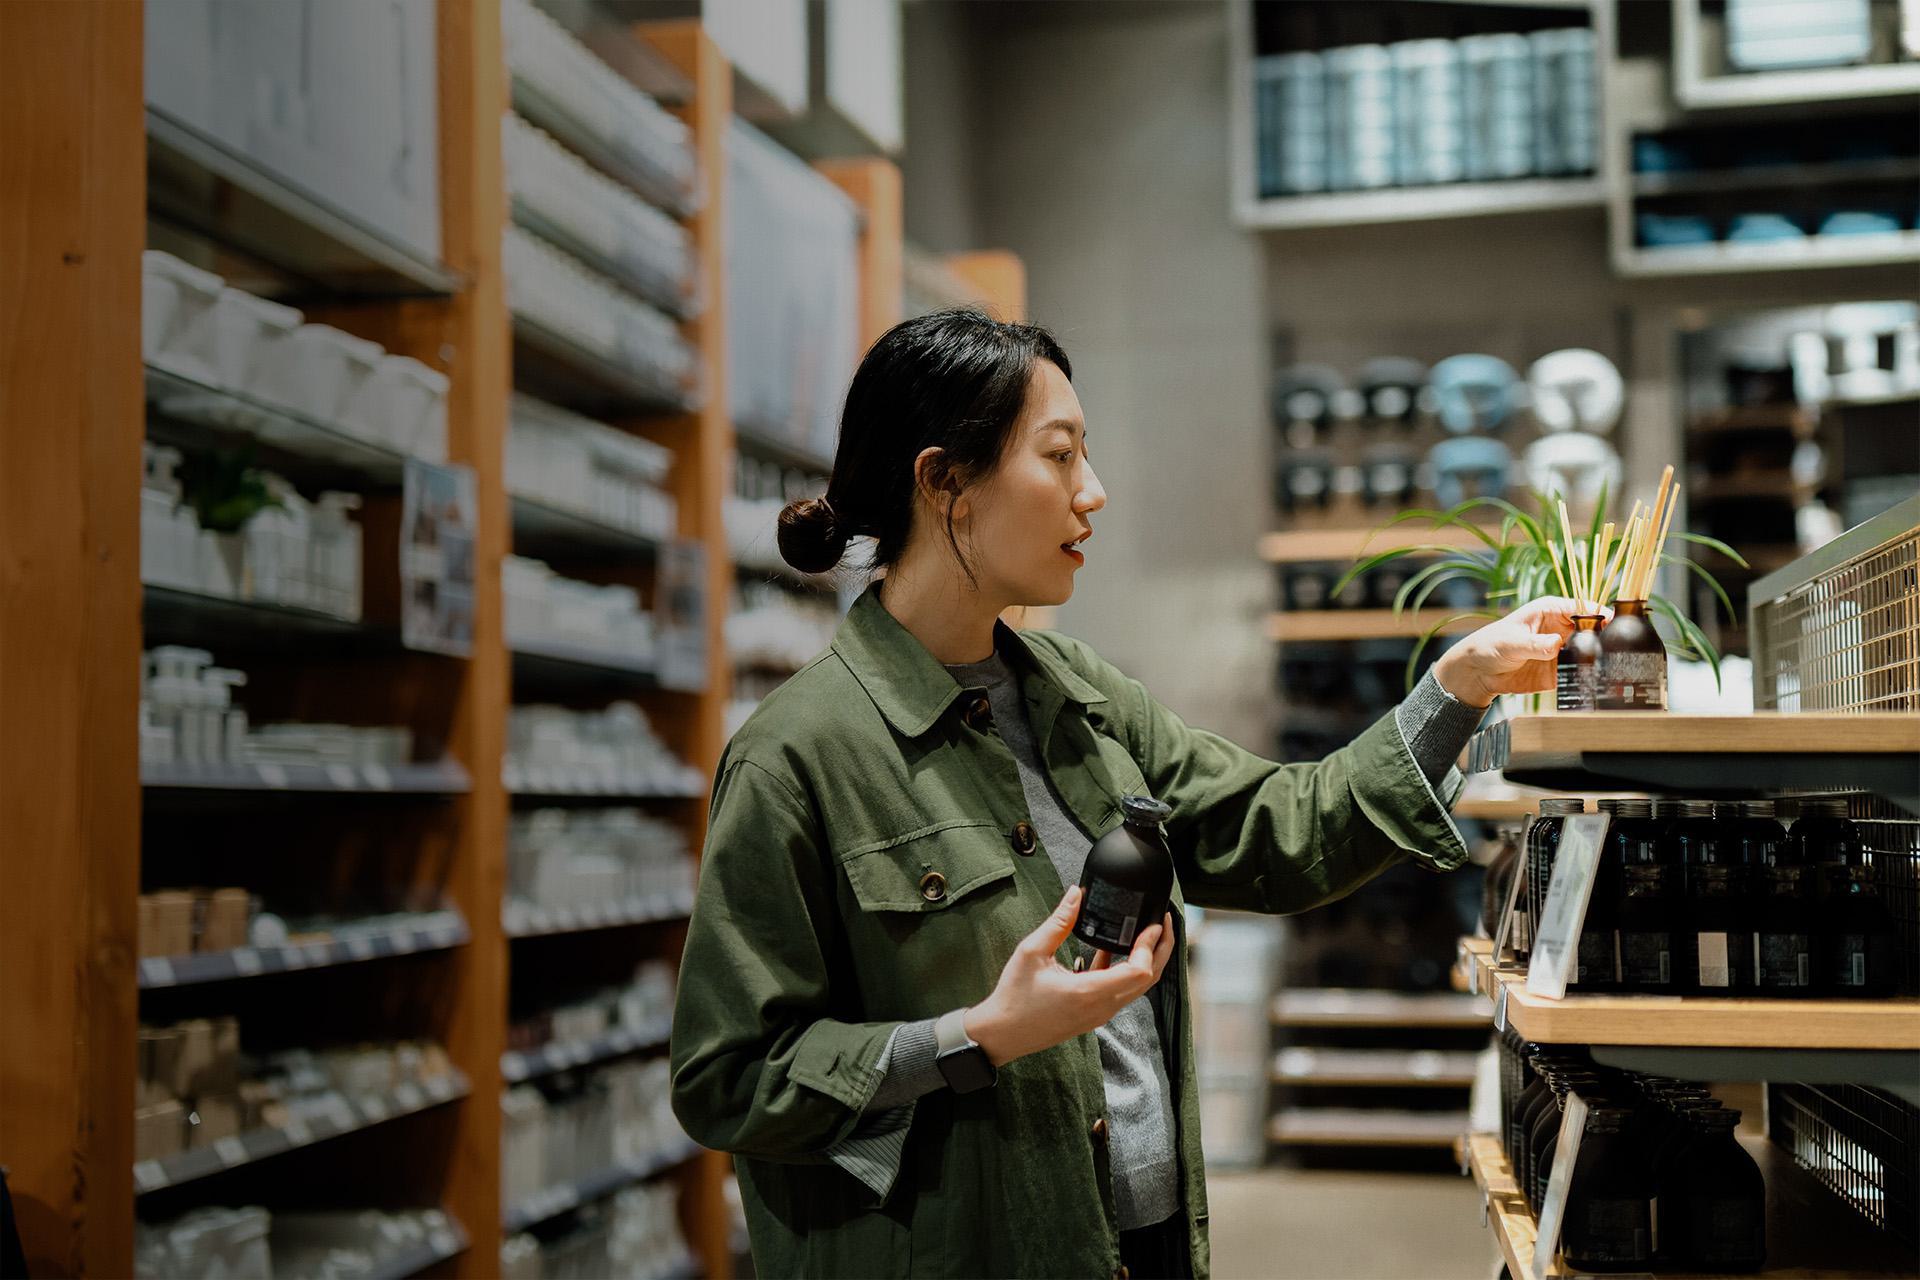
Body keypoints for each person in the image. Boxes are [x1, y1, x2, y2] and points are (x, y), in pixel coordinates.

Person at [670, 309, 1581, 1279]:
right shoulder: (796, 756)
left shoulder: (1084, 697)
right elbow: (727, 1078)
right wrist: (972, 1036)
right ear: (945, 483)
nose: (1093, 493)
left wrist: (1462, 680)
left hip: (1143, 1243)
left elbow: (1282, 828)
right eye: (1059, 456)